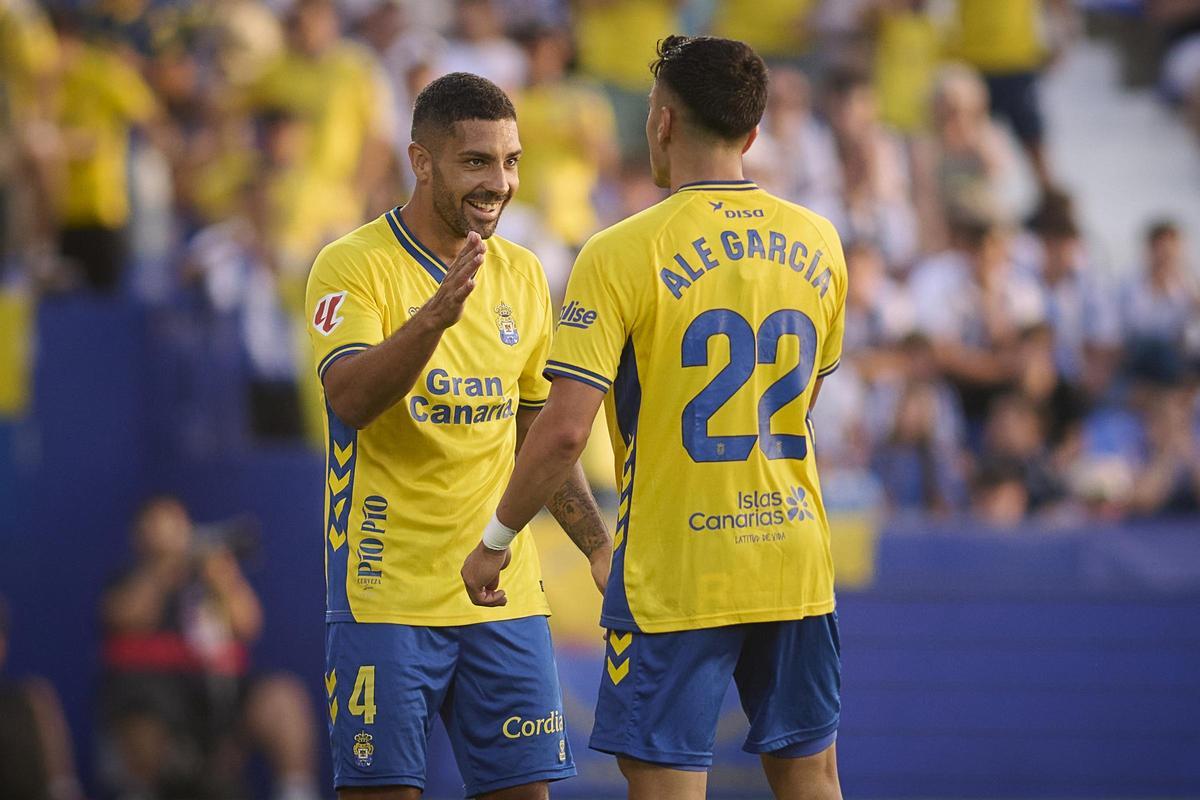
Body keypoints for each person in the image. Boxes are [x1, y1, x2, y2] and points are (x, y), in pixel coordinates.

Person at [462, 35, 846, 800]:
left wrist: (495, 538)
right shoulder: (820, 240)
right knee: (811, 775)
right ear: (754, 134)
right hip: (794, 558)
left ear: (664, 122)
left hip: (678, 567)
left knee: (665, 781)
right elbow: (804, 404)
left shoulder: (620, 251)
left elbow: (565, 428)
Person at [305, 72, 609, 799]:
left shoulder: (526, 275)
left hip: (502, 595)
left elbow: (538, 437)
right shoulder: (352, 264)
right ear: (422, 161)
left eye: (510, 161)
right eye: (476, 161)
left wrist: (598, 546)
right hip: (385, 594)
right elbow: (350, 399)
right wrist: (433, 318)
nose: (498, 182)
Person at [98, 496, 320, 800]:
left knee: (283, 697)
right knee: (140, 719)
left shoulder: (207, 576)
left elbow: (249, 625)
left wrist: (223, 577)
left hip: (217, 696)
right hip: (155, 697)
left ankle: (296, 793)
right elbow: (125, 618)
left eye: (178, 524)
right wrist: (163, 570)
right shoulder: (129, 579)